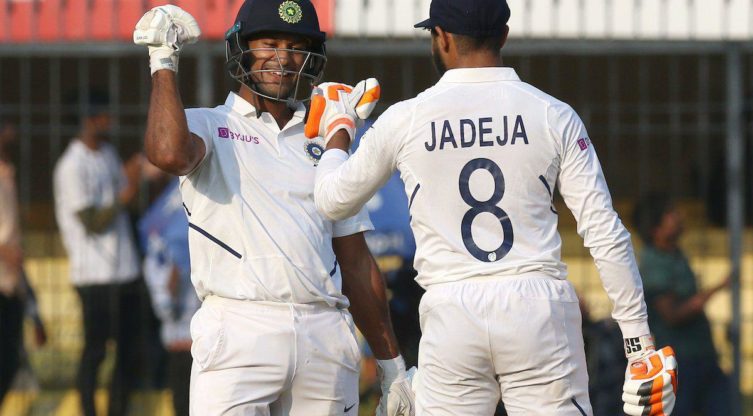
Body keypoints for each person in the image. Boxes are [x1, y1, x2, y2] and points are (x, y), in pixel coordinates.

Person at [309, 0, 678, 415]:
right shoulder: (552, 114)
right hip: (536, 307)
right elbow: (604, 231)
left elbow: (332, 200)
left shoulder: (406, 118)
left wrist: (339, 129)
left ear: (441, 38)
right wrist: (639, 345)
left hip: (451, 311)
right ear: (503, 35)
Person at [133, 1, 412, 415]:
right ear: (242, 49)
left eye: (296, 47)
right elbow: (168, 153)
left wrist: (392, 366)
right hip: (238, 328)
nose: (283, 58)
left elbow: (355, 260)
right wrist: (163, 60)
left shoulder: (326, 141)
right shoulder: (210, 124)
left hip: (324, 334)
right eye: (269, 44)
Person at [52, 93, 143, 416]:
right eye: (105, 115)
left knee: (129, 351)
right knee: (96, 351)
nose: (111, 121)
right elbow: (93, 222)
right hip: (94, 275)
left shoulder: (107, 153)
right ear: (89, 119)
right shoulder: (71, 166)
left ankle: (118, 409)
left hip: (124, 270)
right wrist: (128, 189)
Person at [633, 193, 731, 416]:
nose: (679, 216)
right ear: (656, 229)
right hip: (680, 361)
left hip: (701, 355)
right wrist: (717, 288)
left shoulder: (676, 254)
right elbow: (673, 314)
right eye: (670, 214)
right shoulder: (653, 263)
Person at [139, 177, 197, 416]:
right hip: (184, 340)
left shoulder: (158, 245)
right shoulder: (161, 251)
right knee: (186, 400)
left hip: (189, 338)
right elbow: (165, 300)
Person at [0, 120, 46, 406]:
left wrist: (34, 312)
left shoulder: (7, 174)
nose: (12, 132)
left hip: (10, 284)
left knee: (9, 361)